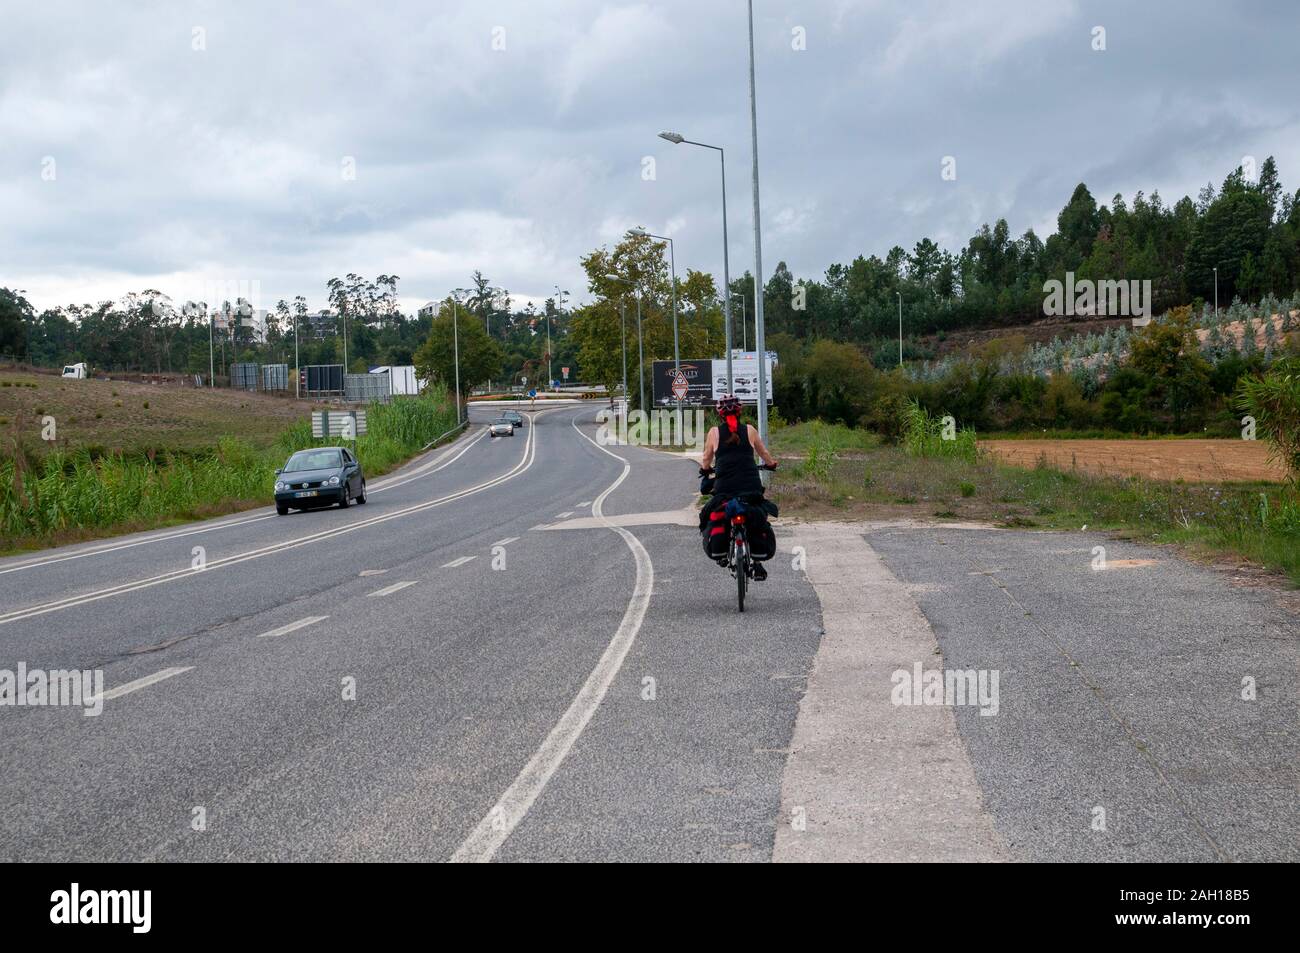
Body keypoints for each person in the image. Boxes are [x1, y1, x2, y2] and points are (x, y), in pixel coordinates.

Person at [698, 394, 779, 580]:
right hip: (749, 486)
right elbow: (763, 453)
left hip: (724, 487)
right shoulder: (749, 430)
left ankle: (724, 550)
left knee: (721, 512)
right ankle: (757, 562)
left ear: (720, 415)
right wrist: (771, 464)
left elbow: (706, 458)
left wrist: (706, 470)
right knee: (756, 513)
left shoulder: (714, 433)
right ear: (740, 412)